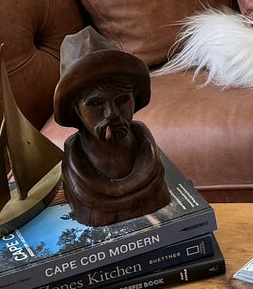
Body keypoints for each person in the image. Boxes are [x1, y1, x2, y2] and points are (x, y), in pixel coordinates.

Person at [52, 27, 171, 226]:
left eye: (122, 99)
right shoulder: (77, 173)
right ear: (75, 110)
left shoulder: (150, 159)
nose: (112, 114)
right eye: (96, 104)